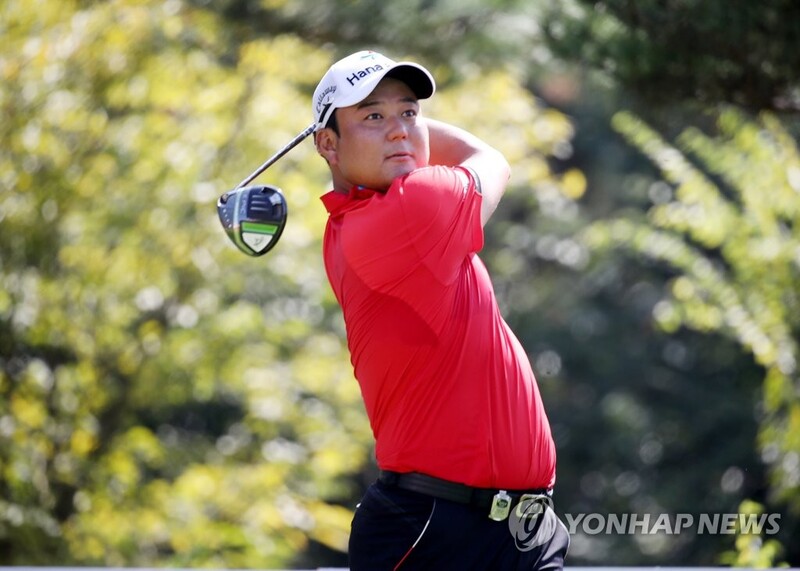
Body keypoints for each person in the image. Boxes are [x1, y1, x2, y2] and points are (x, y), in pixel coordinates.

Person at [312, 50, 569, 570]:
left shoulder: (372, 217)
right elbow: (489, 157)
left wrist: (390, 127)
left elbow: (441, 151)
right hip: (433, 530)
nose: (401, 131)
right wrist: (412, 130)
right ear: (327, 145)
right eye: (373, 116)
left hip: (522, 529)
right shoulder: (406, 212)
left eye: (409, 112)